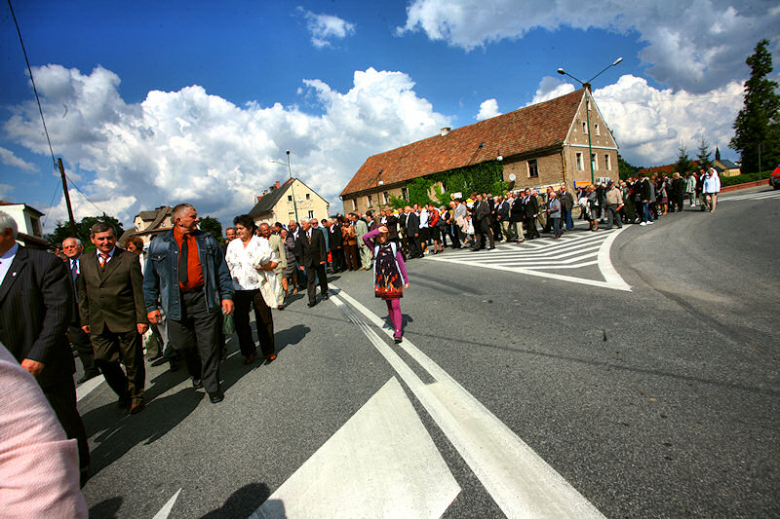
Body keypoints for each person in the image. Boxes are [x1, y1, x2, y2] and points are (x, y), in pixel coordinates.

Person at [0, 211, 91, 486]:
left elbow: (58, 311)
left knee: (63, 418)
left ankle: (79, 470)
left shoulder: (42, 262)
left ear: (6, 233)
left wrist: (37, 354)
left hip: (43, 362)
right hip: (6, 367)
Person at [143, 203, 235, 404]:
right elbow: (150, 279)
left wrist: (227, 295)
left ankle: (213, 386)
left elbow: (222, 271)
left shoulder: (207, 240)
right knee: (181, 343)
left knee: (208, 344)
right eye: (193, 216)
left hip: (204, 298)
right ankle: (196, 371)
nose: (197, 219)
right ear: (178, 220)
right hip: (175, 302)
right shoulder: (159, 244)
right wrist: (150, 307)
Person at [0, 343, 89, 518]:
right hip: (20, 366)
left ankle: (83, 466)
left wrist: (38, 353)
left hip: (43, 363)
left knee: (67, 416)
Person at [78, 222, 148, 415]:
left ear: (115, 238)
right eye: (101, 239)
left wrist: (142, 318)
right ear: (93, 240)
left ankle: (136, 396)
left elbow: (138, 291)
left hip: (125, 318)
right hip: (98, 321)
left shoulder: (128, 259)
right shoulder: (85, 261)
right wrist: (84, 319)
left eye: (109, 238)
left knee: (132, 360)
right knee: (103, 360)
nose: (106, 242)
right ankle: (124, 391)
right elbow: (83, 293)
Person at [225, 216, 277, 365]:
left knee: (264, 319)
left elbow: (274, 262)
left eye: (241, 228)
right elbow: (227, 265)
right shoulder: (232, 245)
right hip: (238, 288)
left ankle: (268, 350)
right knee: (241, 323)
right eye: (237, 228)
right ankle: (248, 351)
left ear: (250, 229)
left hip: (259, 287)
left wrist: (263, 267)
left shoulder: (262, 243)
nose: (238, 231)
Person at [61, 237, 100, 384]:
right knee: (80, 341)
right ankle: (91, 369)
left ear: (81, 247)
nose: (70, 249)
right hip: (72, 310)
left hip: (91, 308)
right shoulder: (61, 268)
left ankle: (108, 362)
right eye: (66, 248)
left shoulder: (90, 263)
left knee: (98, 337)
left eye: (72, 246)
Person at [363, 225, 410, 342]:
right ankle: (396, 327)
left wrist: (406, 279)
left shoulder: (394, 246)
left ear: (387, 234)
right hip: (382, 280)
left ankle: (398, 331)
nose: (381, 237)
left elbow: (401, 264)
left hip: (394, 279)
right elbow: (365, 238)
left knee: (395, 304)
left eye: (383, 234)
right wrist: (376, 231)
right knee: (389, 305)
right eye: (378, 235)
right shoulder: (375, 248)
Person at [295, 218, 329, 307]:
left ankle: (324, 292)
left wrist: (323, 258)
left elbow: (322, 246)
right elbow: (301, 250)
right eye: (301, 224)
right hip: (308, 261)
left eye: (303, 224)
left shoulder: (318, 232)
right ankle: (312, 299)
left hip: (318, 259)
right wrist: (301, 263)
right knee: (310, 280)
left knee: (322, 277)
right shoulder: (301, 235)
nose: (302, 226)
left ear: (309, 224)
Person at [265, 223, 287, 309]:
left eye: (268, 229)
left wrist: (284, 264)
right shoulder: (259, 241)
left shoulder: (276, 238)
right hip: (266, 267)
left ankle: (280, 302)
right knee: (270, 285)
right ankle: (272, 300)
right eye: (264, 230)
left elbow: (282, 251)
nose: (266, 231)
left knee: (279, 283)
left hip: (277, 264)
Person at [281, 228, 298, 296]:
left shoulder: (290, 239)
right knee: (283, 276)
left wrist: (286, 242)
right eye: (282, 233)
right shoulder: (279, 240)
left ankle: (295, 286)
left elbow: (292, 247)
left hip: (291, 259)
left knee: (293, 275)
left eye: (285, 232)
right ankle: (286, 291)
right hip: (283, 261)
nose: (284, 234)